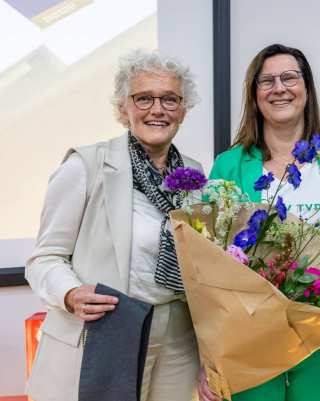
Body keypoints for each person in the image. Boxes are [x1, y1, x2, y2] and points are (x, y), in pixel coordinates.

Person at [25, 50, 203, 401]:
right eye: (143, 98)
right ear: (123, 108)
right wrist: (71, 293)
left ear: (183, 109)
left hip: (177, 338)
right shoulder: (86, 165)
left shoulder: (196, 176)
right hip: (106, 330)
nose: (157, 109)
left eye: (169, 99)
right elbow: (44, 259)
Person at [202, 44, 320, 401]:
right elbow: (206, 263)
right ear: (254, 95)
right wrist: (208, 351)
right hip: (249, 336)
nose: (279, 88)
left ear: (307, 88)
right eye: (267, 81)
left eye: (289, 77)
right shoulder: (228, 166)